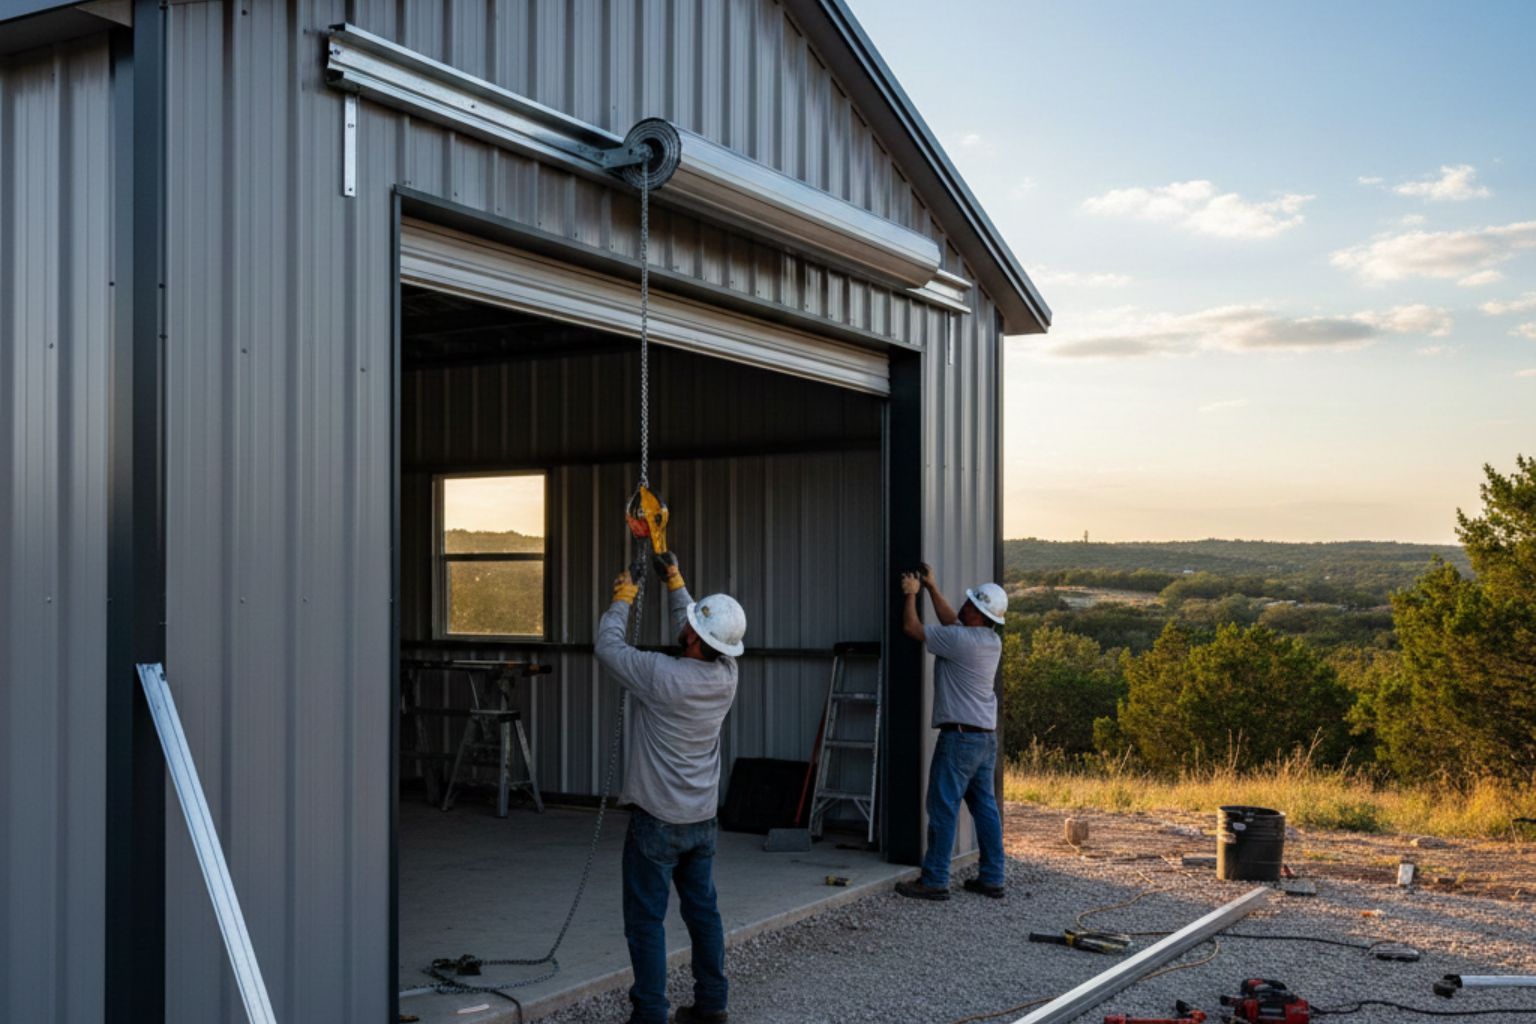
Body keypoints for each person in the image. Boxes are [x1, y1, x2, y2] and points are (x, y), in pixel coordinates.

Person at [595, 552, 747, 1024]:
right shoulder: (727, 675)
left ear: (695, 638)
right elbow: (694, 625)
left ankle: (651, 1014)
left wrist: (623, 597)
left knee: (646, 921)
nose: (685, 626)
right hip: (700, 820)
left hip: (656, 821)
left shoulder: (662, 676)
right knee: (703, 914)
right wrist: (675, 581)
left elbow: (609, 647)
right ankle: (712, 1003)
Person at [893, 563, 1009, 901]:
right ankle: (992, 877)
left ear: (979, 614)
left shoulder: (960, 640)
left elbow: (912, 628)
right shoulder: (988, 640)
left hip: (959, 738)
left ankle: (935, 880)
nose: (965, 605)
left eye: (971, 604)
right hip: (984, 737)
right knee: (985, 807)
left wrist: (911, 594)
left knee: (942, 806)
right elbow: (951, 621)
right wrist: (931, 587)